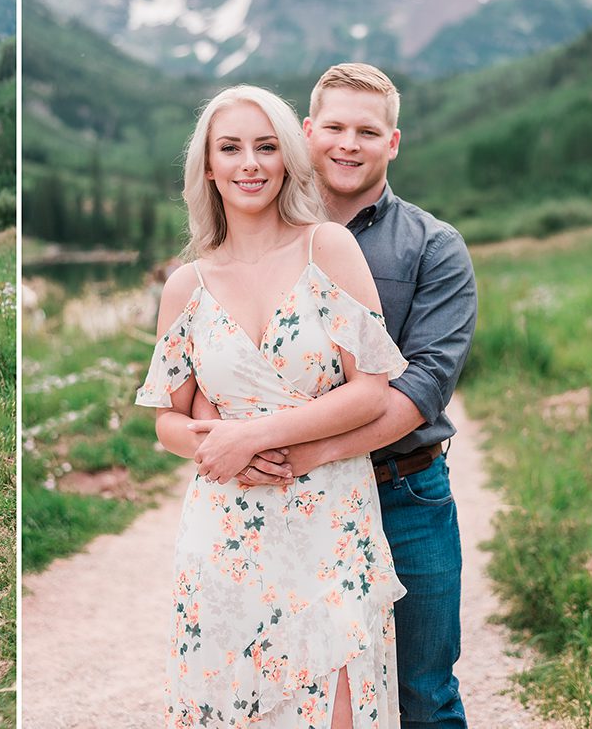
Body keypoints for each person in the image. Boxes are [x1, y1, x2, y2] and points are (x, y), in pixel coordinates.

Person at [136, 85, 410, 728]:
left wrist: (250, 435)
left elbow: (370, 387)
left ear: (288, 157)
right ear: (207, 166)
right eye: (229, 148)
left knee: (337, 704)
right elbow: (168, 420)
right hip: (225, 529)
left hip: (331, 521)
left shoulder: (327, 249)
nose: (249, 163)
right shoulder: (187, 285)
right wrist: (215, 446)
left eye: (265, 147)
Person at [219, 64, 477, 729]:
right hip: (283, 504)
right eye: (333, 126)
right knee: (295, 688)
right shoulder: (254, 239)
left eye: (368, 130)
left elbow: (419, 389)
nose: (348, 143)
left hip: (404, 494)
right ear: (308, 132)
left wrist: (306, 450)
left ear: (393, 142)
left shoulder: (434, 247)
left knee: (423, 691)